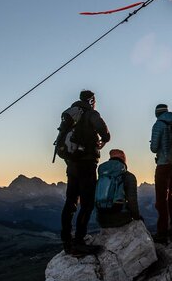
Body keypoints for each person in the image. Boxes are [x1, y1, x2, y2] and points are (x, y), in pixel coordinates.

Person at [61, 90, 110, 255]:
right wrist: (105, 138)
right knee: (87, 203)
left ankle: (66, 241)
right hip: (87, 163)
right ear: (91, 101)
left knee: (70, 201)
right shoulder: (91, 114)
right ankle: (79, 241)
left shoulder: (72, 114)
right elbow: (104, 132)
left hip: (72, 164)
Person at [150, 104, 172, 244]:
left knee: (161, 200)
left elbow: (154, 148)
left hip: (163, 166)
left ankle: (162, 232)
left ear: (157, 113)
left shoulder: (158, 125)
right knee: (171, 196)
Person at [96, 149, 142, 228]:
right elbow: (132, 201)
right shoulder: (128, 176)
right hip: (120, 219)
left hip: (101, 220)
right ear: (123, 159)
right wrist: (138, 218)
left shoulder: (102, 176)